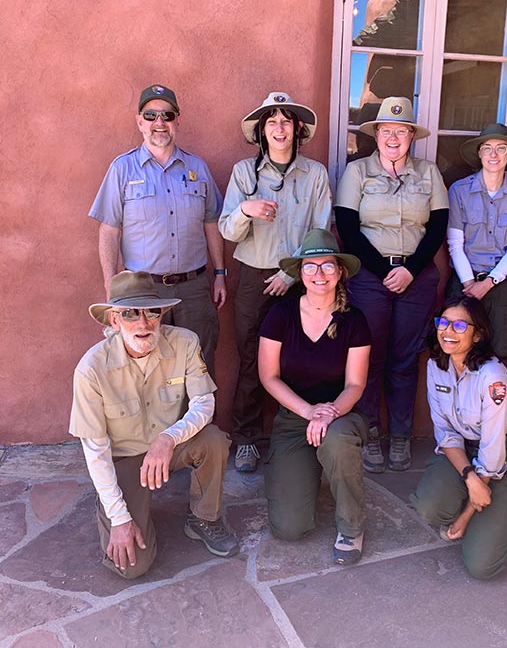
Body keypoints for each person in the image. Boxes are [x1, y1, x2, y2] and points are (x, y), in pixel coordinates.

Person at [69, 271, 238, 579]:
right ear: (114, 321)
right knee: (132, 567)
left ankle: (204, 519)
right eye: (130, 313)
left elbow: (204, 404)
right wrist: (119, 517)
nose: (143, 323)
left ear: (163, 315)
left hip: (169, 448)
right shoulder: (91, 370)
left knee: (213, 439)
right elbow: (95, 450)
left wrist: (168, 439)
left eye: (152, 312)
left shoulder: (186, 343)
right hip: (126, 459)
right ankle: (116, 505)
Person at [335, 96, 449, 473]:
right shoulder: (357, 173)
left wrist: (410, 270)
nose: (393, 138)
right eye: (387, 131)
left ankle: (399, 436)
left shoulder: (429, 173)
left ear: (411, 136)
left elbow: (436, 229)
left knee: (404, 358)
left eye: (401, 131)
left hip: (415, 279)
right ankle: (369, 433)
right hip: (369, 278)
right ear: (377, 135)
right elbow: (348, 230)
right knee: (369, 356)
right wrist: (384, 270)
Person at [219, 92, 332, 474]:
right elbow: (227, 231)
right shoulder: (243, 173)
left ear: (298, 129)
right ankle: (247, 438)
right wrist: (245, 209)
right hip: (254, 276)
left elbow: (321, 230)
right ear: (261, 131)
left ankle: (301, 436)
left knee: (304, 356)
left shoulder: (315, 174)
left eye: (286, 121)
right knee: (252, 356)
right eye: (272, 122)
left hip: (303, 278)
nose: (280, 128)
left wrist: (291, 272)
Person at [89, 84, 226, 377]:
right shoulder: (122, 170)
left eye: (167, 115)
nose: (159, 123)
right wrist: (111, 289)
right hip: (144, 292)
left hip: (195, 289)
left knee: (200, 367)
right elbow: (109, 231)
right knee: (147, 371)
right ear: (140, 122)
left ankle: (201, 425)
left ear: (178, 120)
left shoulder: (198, 168)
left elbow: (212, 223)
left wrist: (220, 275)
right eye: (150, 116)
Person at [258, 229, 370, 565]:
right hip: (294, 418)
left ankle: (352, 527)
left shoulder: (355, 320)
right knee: (289, 527)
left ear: (340, 272)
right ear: (299, 273)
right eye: (310, 267)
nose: (319, 274)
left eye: (327, 266)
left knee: (335, 441)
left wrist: (328, 413)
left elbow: (355, 385)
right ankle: (311, 468)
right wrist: (309, 412)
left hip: (342, 417)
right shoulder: (281, 315)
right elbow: (269, 376)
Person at [411, 296, 507, 580]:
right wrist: (469, 477)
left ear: (477, 334)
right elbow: (445, 431)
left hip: (505, 457)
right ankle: (476, 497)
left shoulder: (492, 377)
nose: (448, 331)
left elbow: (492, 448)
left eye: (460, 325)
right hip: (464, 453)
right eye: (443, 322)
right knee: (430, 507)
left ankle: (494, 507)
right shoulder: (436, 366)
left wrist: (465, 516)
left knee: (482, 567)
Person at [447, 123, 507, 368]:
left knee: (500, 351)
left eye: (500, 148)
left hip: (499, 284)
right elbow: (455, 244)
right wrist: (470, 285)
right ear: (479, 154)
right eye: (487, 148)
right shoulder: (460, 191)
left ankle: (494, 407)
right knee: (456, 347)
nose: (493, 155)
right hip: (464, 281)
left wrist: (487, 284)